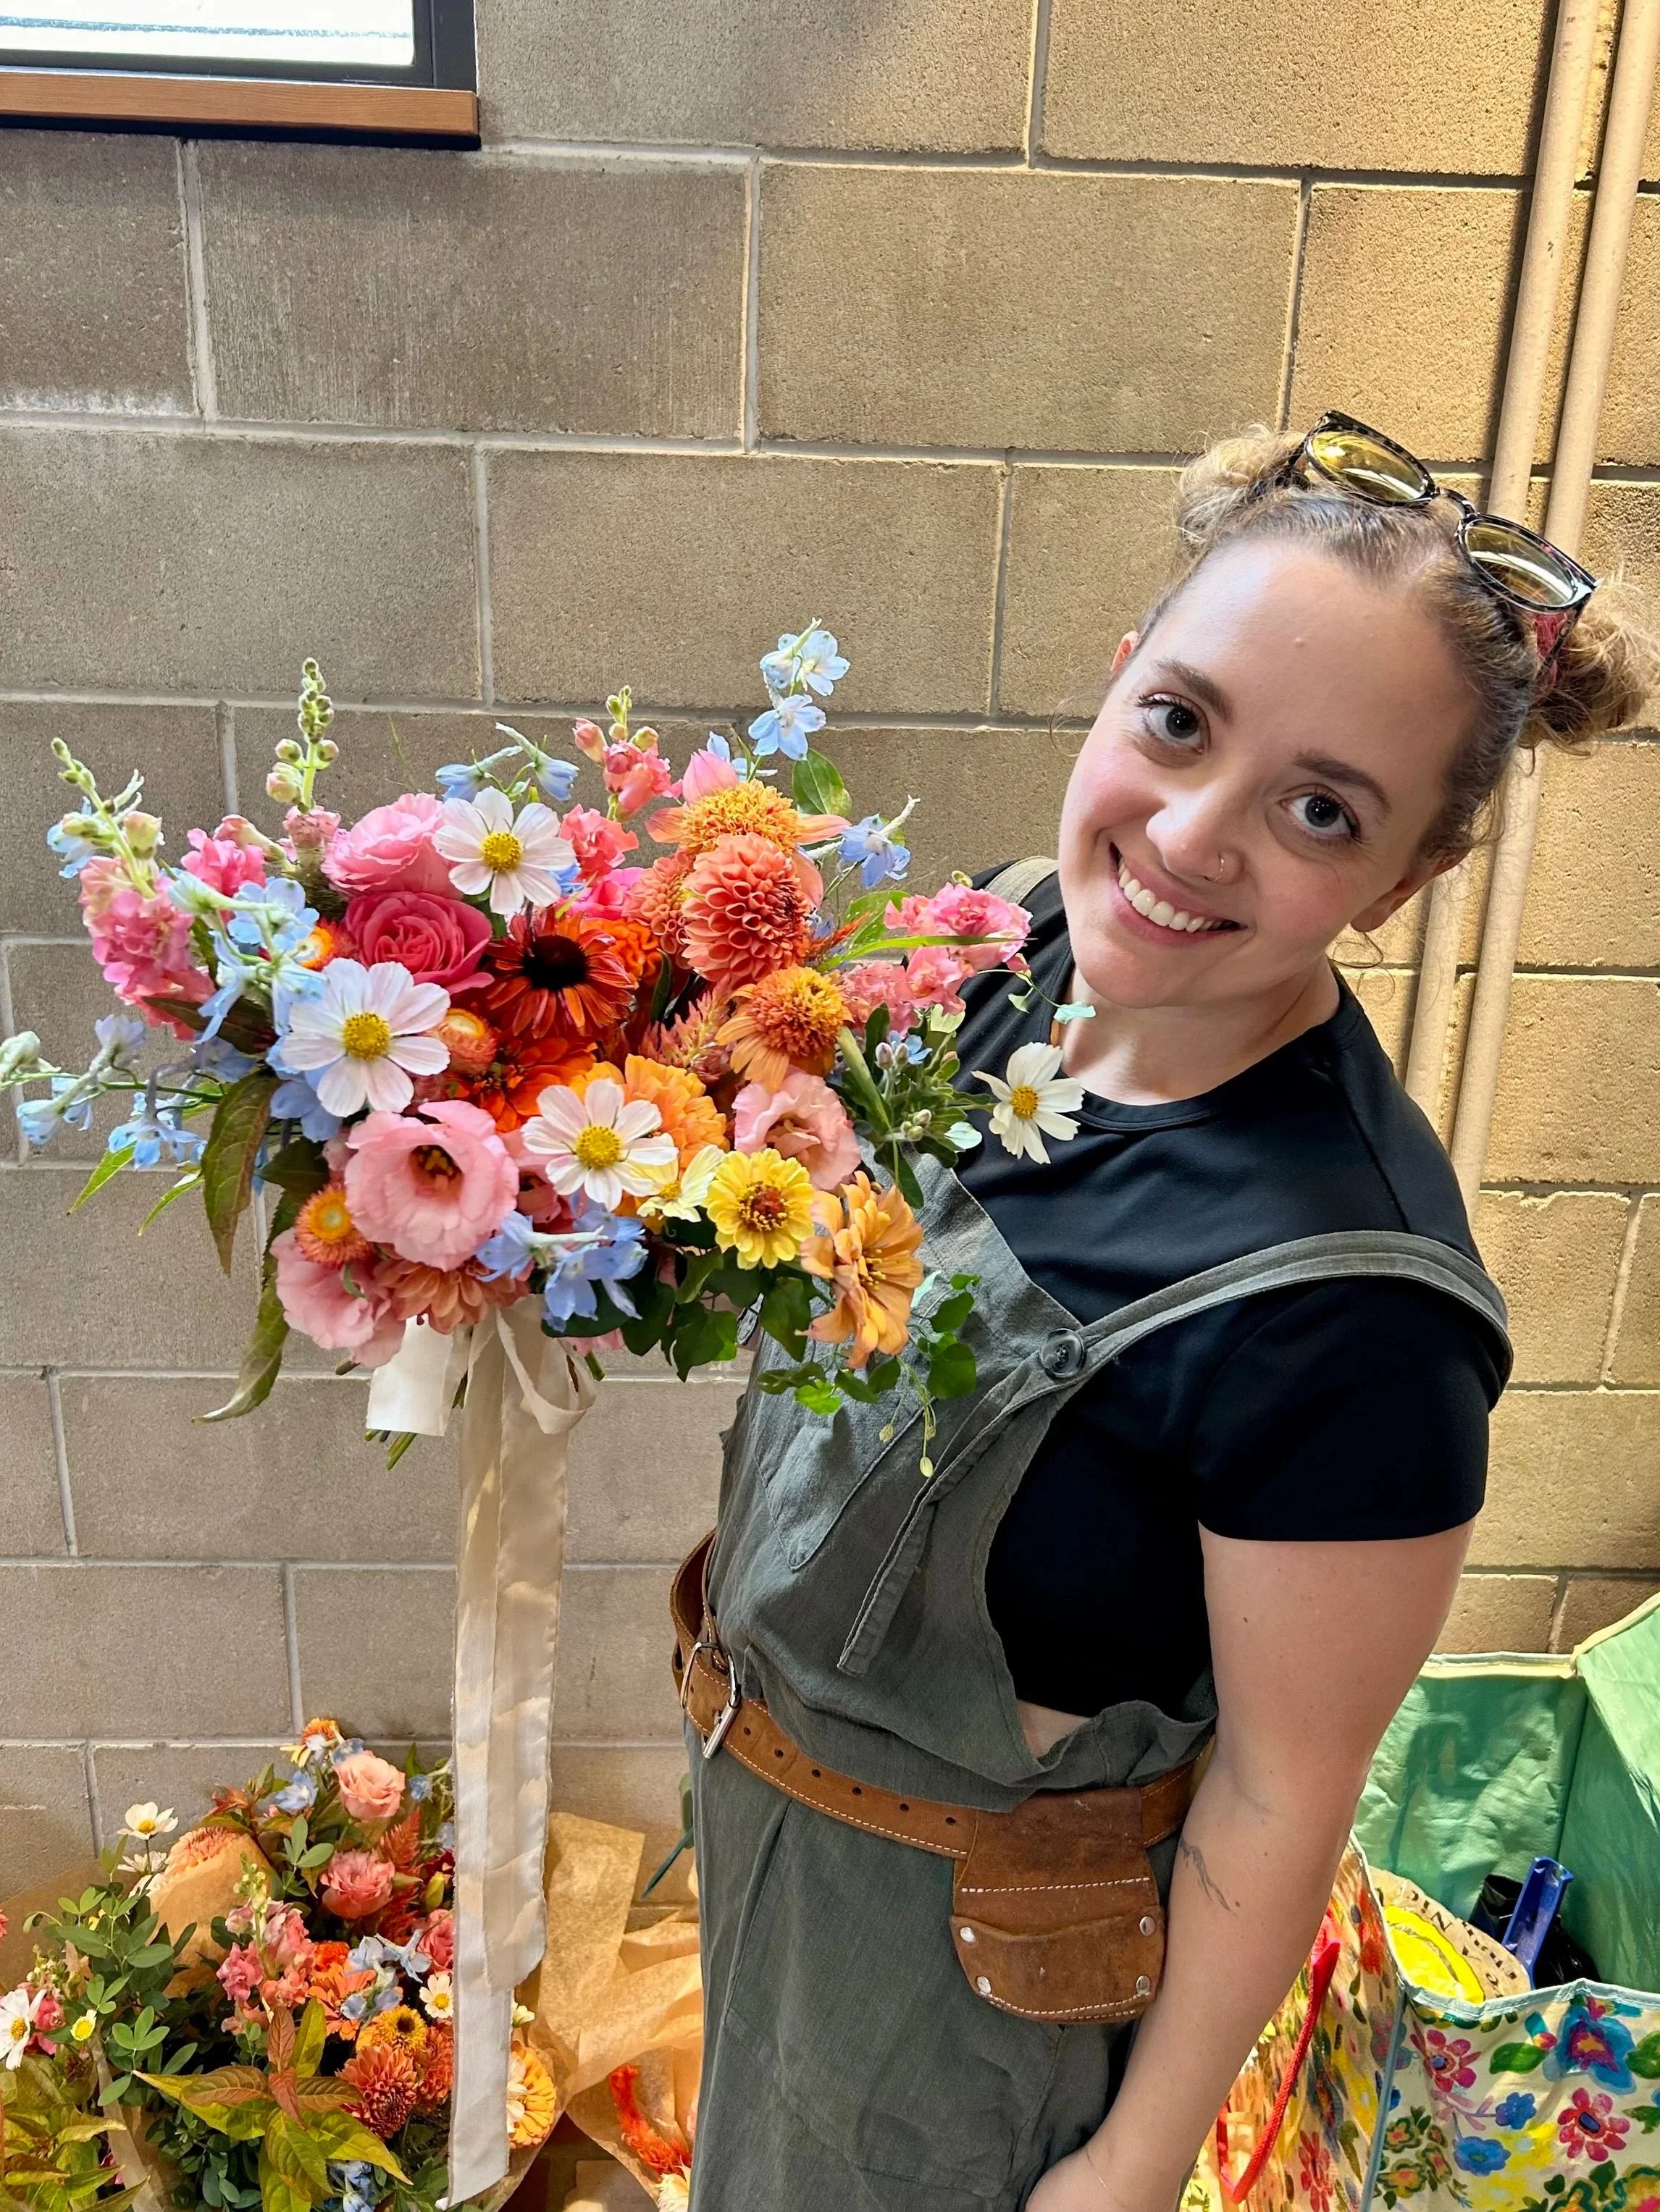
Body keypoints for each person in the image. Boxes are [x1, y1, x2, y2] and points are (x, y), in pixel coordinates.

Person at [675, 416, 1659, 2212]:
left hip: (970, 2009)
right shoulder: (1016, 948)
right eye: (1181, 722)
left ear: (1410, 876)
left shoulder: (1354, 1316)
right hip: (776, 1853)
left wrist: (1125, 2166)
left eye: (1320, 809)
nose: (1190, 840)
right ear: (1121, 676)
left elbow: (1284, 1797)